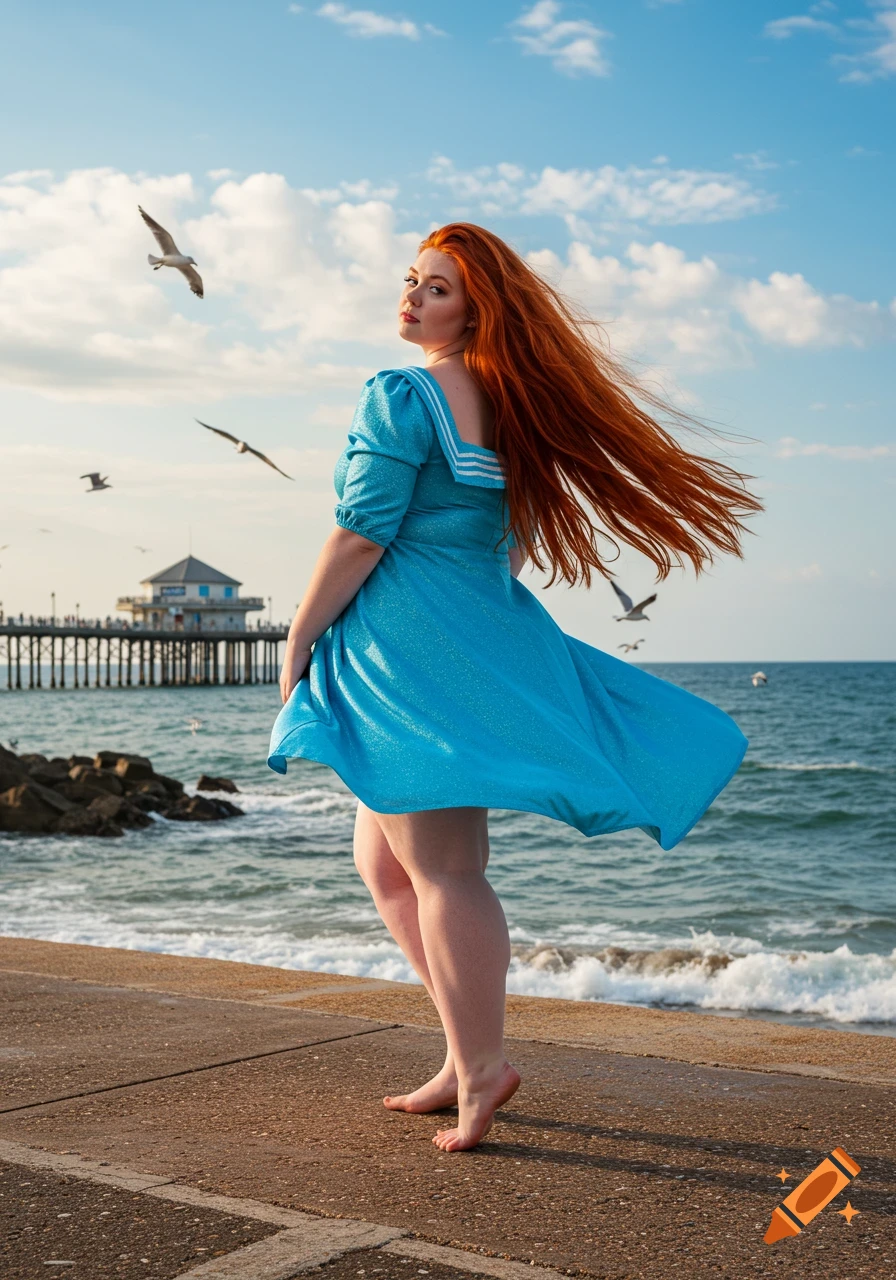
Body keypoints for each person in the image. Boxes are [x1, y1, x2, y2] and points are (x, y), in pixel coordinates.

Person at [269, 222, 762, 1153]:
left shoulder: (403, 394)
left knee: (445, 870)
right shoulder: (511, 408)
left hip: (411, 651)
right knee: (386, 864)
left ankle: (486, 1064)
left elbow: (362, 531)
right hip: (477, 636)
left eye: (439, 288)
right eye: (412, 280)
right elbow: (503, 538)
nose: (413, 297)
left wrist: (299, 634)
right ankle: (464, 1052)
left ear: (477, 307)